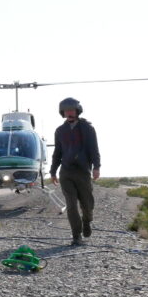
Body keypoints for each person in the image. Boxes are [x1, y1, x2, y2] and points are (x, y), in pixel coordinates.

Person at [49, 97, 101, 246]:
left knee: (87, 204)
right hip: (66, 172)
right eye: (66, 111)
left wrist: (96, 167)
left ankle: (87, 221)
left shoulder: (87, 128)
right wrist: (53, 171)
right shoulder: (60, 131)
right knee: (71, 205)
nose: (69, 113)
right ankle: (76, 235)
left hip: (83, 172)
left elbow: (94, 149)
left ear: (77, 111)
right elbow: (57, 153)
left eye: (71, 110)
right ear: (62, 113)